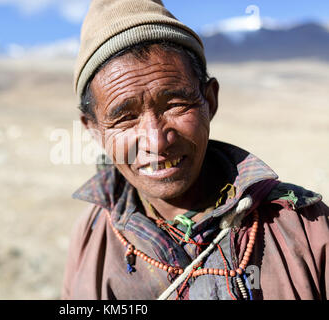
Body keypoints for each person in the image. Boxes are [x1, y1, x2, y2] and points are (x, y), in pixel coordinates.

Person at [62, 0, 328, 300]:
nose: (157, 141)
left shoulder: (305, 227)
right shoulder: (91, 235)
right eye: (126, 117)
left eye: (175, 104)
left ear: (210, 101)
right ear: (94, 129)